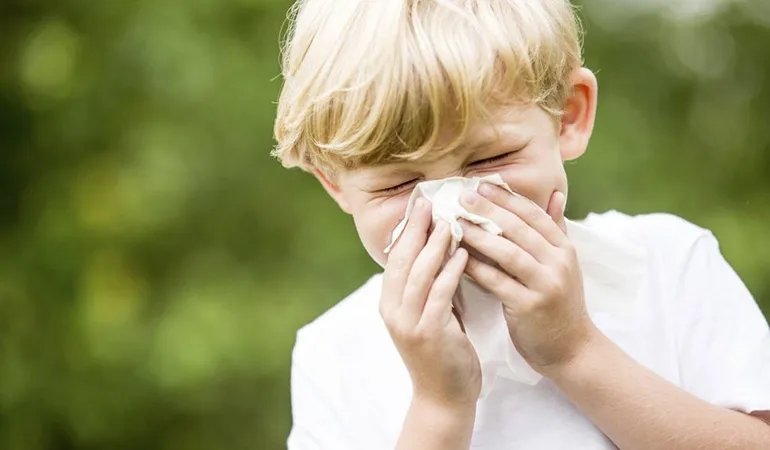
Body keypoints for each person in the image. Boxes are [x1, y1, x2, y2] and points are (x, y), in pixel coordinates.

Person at [272, 0, 770, 448]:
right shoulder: (334, 353)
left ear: (567, 118)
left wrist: (574, 351)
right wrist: (439, 403)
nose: (453, 206)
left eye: (491, 159)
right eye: (398, 185)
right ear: (336, 184)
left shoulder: (664, 265)